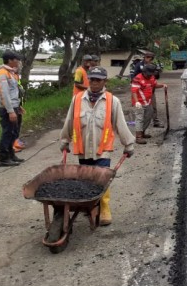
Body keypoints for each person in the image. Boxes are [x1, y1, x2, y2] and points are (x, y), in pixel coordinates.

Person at [59, 66, 135, 225]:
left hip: (103, 150)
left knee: (102, 179)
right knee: (86, 179)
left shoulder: (112, 101)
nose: (94, 83)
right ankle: (89, 206)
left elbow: (120, 123)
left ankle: (104, 206)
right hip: (83, 149)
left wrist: (128, 144)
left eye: (98, 80)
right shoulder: (78, 99)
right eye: (92, 79)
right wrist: (65, 141)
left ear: (104, 81)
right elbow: (70, 121)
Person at [0, 50, 25, 167]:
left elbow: (14, 92)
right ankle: (3, 158)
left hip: (14, 107)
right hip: (7, 109)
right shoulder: (2, 73)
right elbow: (4, 94)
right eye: (16, 59)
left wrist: (18, 106)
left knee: (14, 133)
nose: (18, 61)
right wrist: (10, 111)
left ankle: (11, 155)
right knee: (8, 132)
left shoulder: (12, 73)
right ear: (9, 60)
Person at [131, 63, 167, 144]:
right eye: (147, 74)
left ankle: (142, 132)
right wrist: (136, 101)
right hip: (139, 103)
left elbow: (155, 85)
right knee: (139, 119)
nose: (149, 75)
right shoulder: (137, 78)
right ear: (144, 72)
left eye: (150, 74)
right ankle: (138, 137)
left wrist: (162, 85)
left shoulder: (152, 77)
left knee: (148, 117)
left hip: (148, 102)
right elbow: (134, 91)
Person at [132, 52, 164, 127]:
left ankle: (155, 121)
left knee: (153, 106)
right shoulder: (139, 65)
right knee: (140, 108)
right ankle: (140, 124)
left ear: (152, 59)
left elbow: (156, 78)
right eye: (146, 57)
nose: (147, 59)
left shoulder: (153, 66)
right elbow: (134, 77)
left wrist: (157, 72)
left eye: (149, 57)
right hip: (140, 89)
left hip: (150, 89)